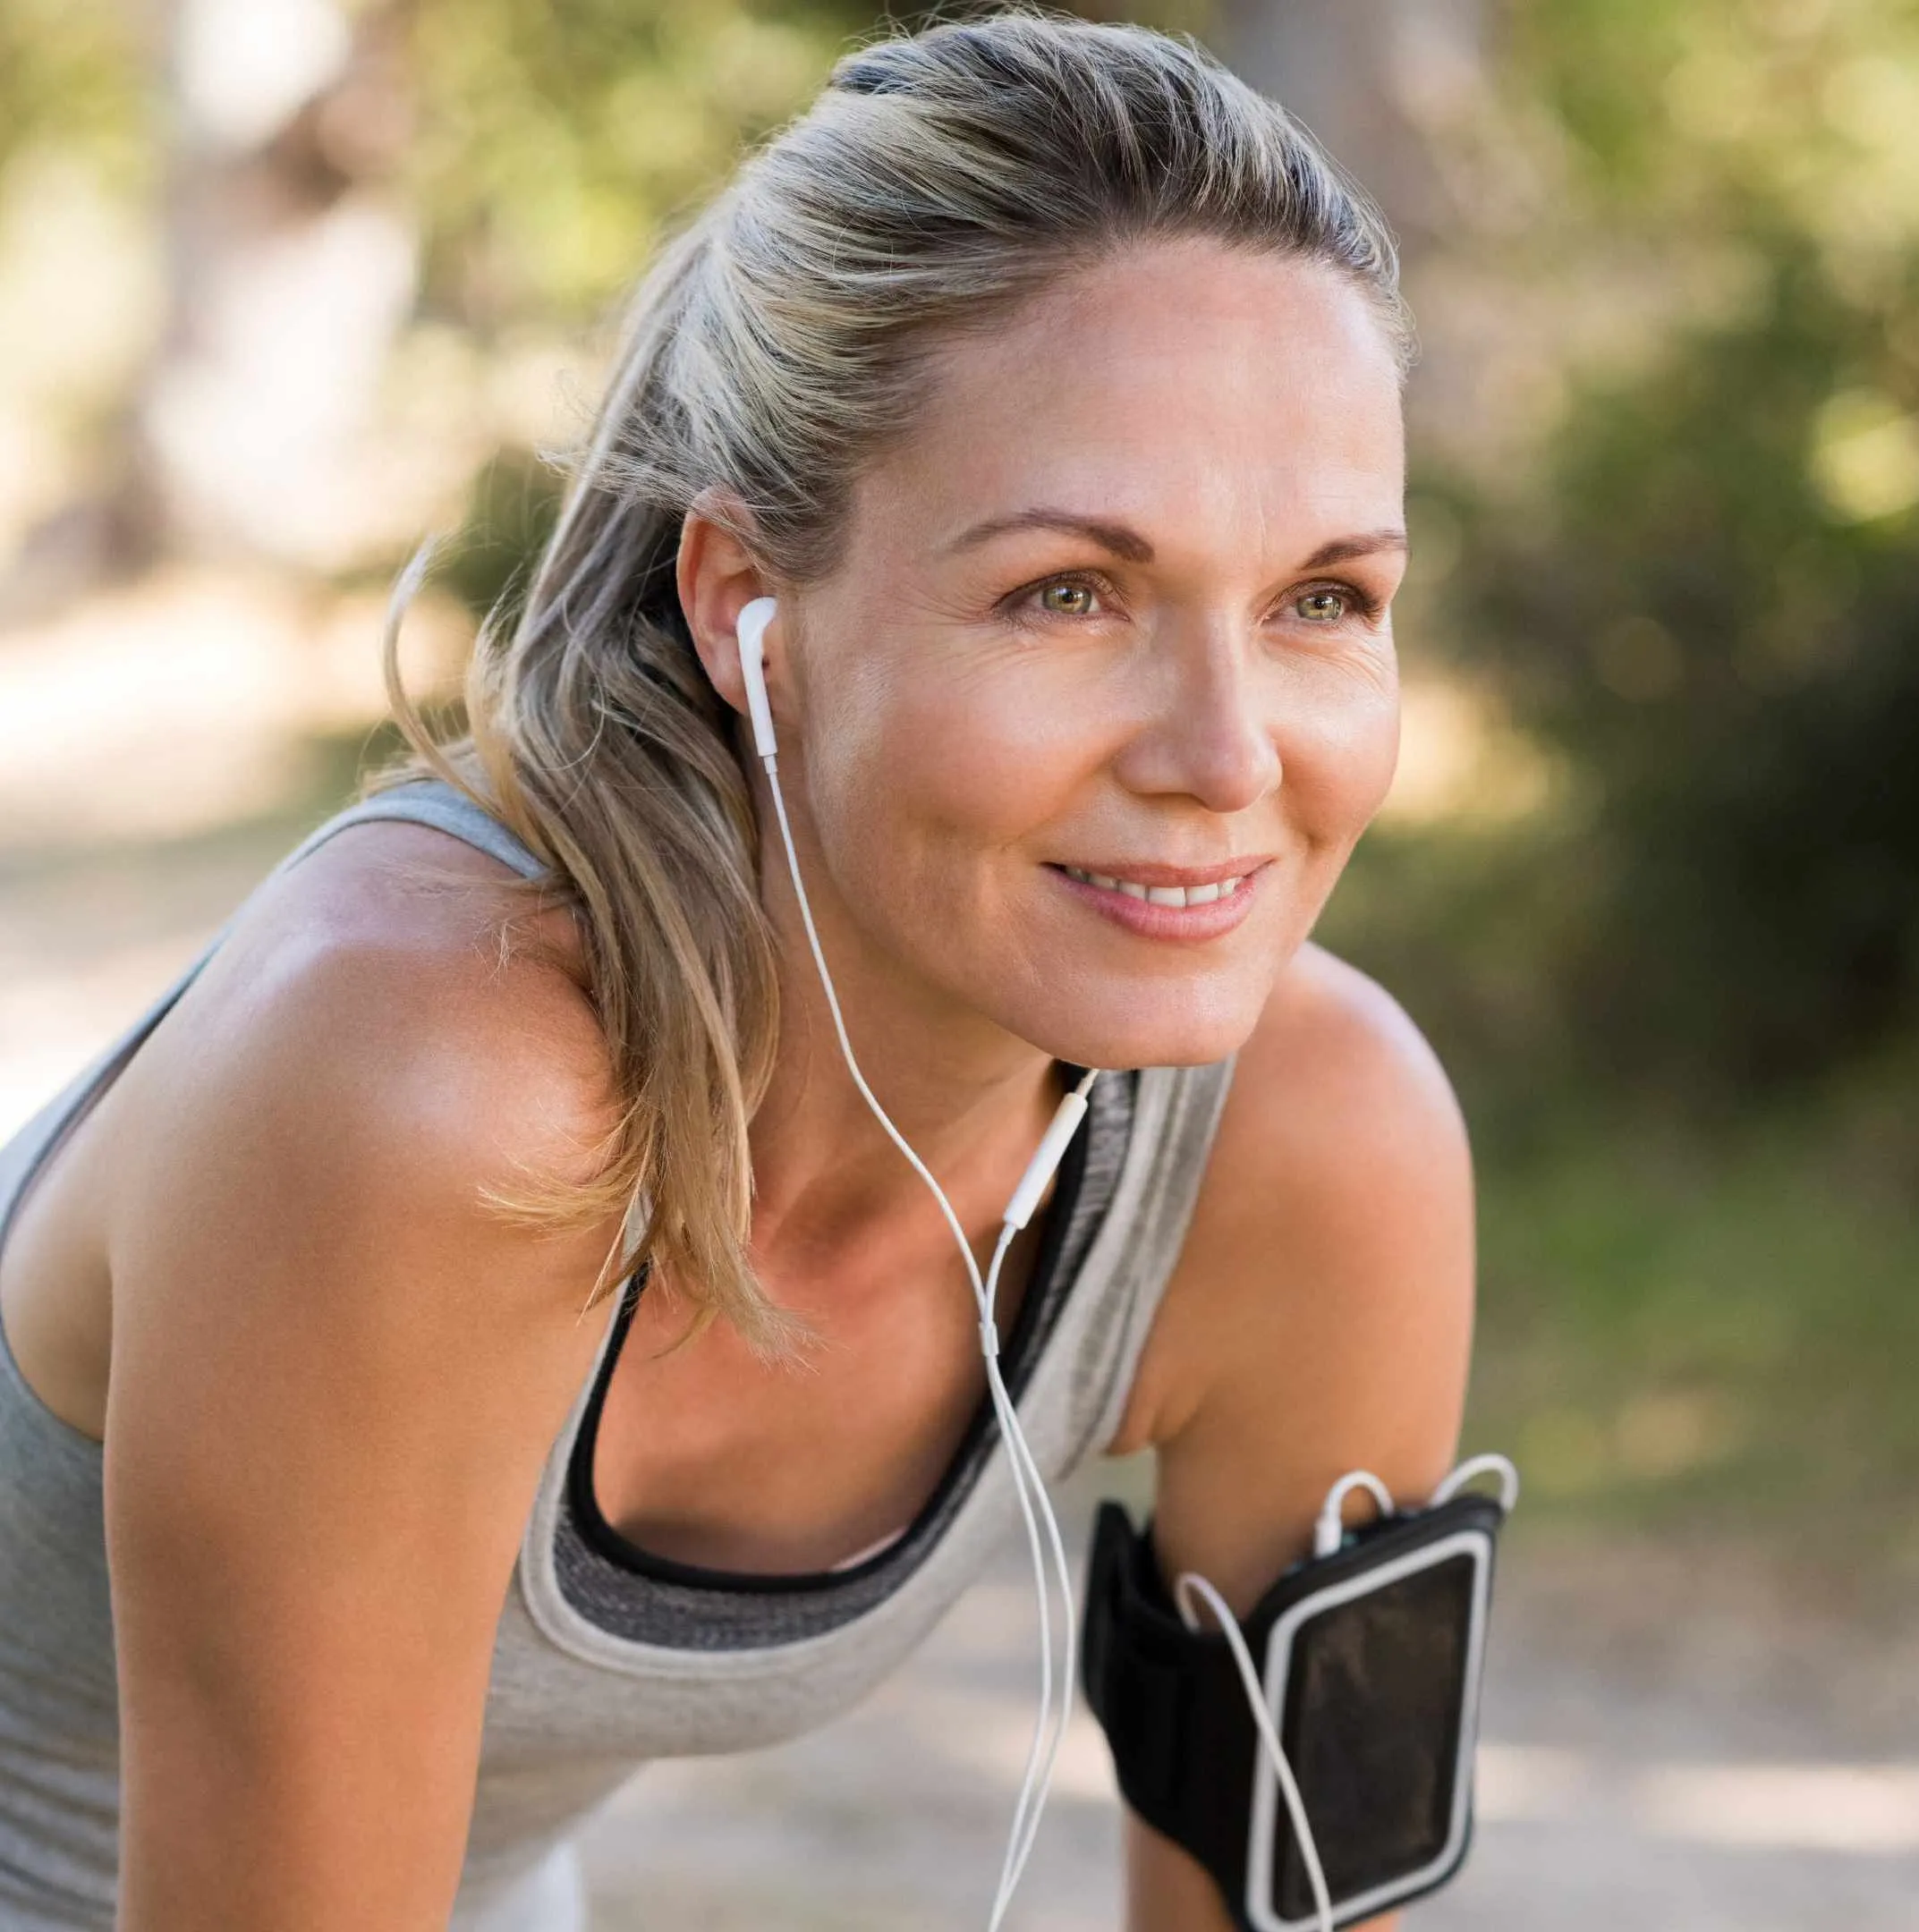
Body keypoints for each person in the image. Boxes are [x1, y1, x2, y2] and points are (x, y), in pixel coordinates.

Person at [0, 14, 1474, 1930]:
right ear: (740, 606)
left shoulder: (1315, 1147)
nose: (1225, 754)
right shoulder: (432, 1084)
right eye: (1067, 593)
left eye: (1320, 602)